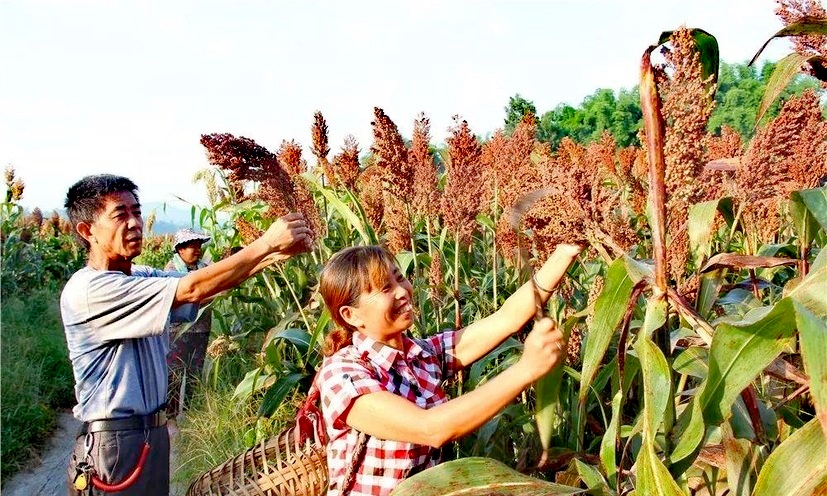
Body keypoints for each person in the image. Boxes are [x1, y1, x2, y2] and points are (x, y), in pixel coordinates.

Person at [61, 174, 312, 495]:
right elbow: (192, 287)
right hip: (115, 441)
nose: (135, 222)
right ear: (87, 231)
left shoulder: (140, 275)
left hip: (151, 434)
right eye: (120, 215)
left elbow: (205, 289)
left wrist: (273, 256)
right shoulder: (90, 289)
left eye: (136, 211)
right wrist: (264, 243)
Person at [316, 243, 582, 496]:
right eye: (386, 288)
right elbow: (431, 428)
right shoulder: (342, 374)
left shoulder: (421, 355)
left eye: (400, 278)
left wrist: (564, 253)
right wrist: (526, 369)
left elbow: (507, 317)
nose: (402, 291)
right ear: (351, 315)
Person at [164, 228, 213, 422]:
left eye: (199, 245)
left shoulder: (205, 268)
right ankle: (171, 417)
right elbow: (184, 297)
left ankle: (191, 416)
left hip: (200, 330)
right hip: (177, 332)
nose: (197, 250)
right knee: (174, 373)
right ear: (180, 249)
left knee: (195, 373)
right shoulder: (170, 270)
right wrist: (210, 294)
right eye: (193, 246)